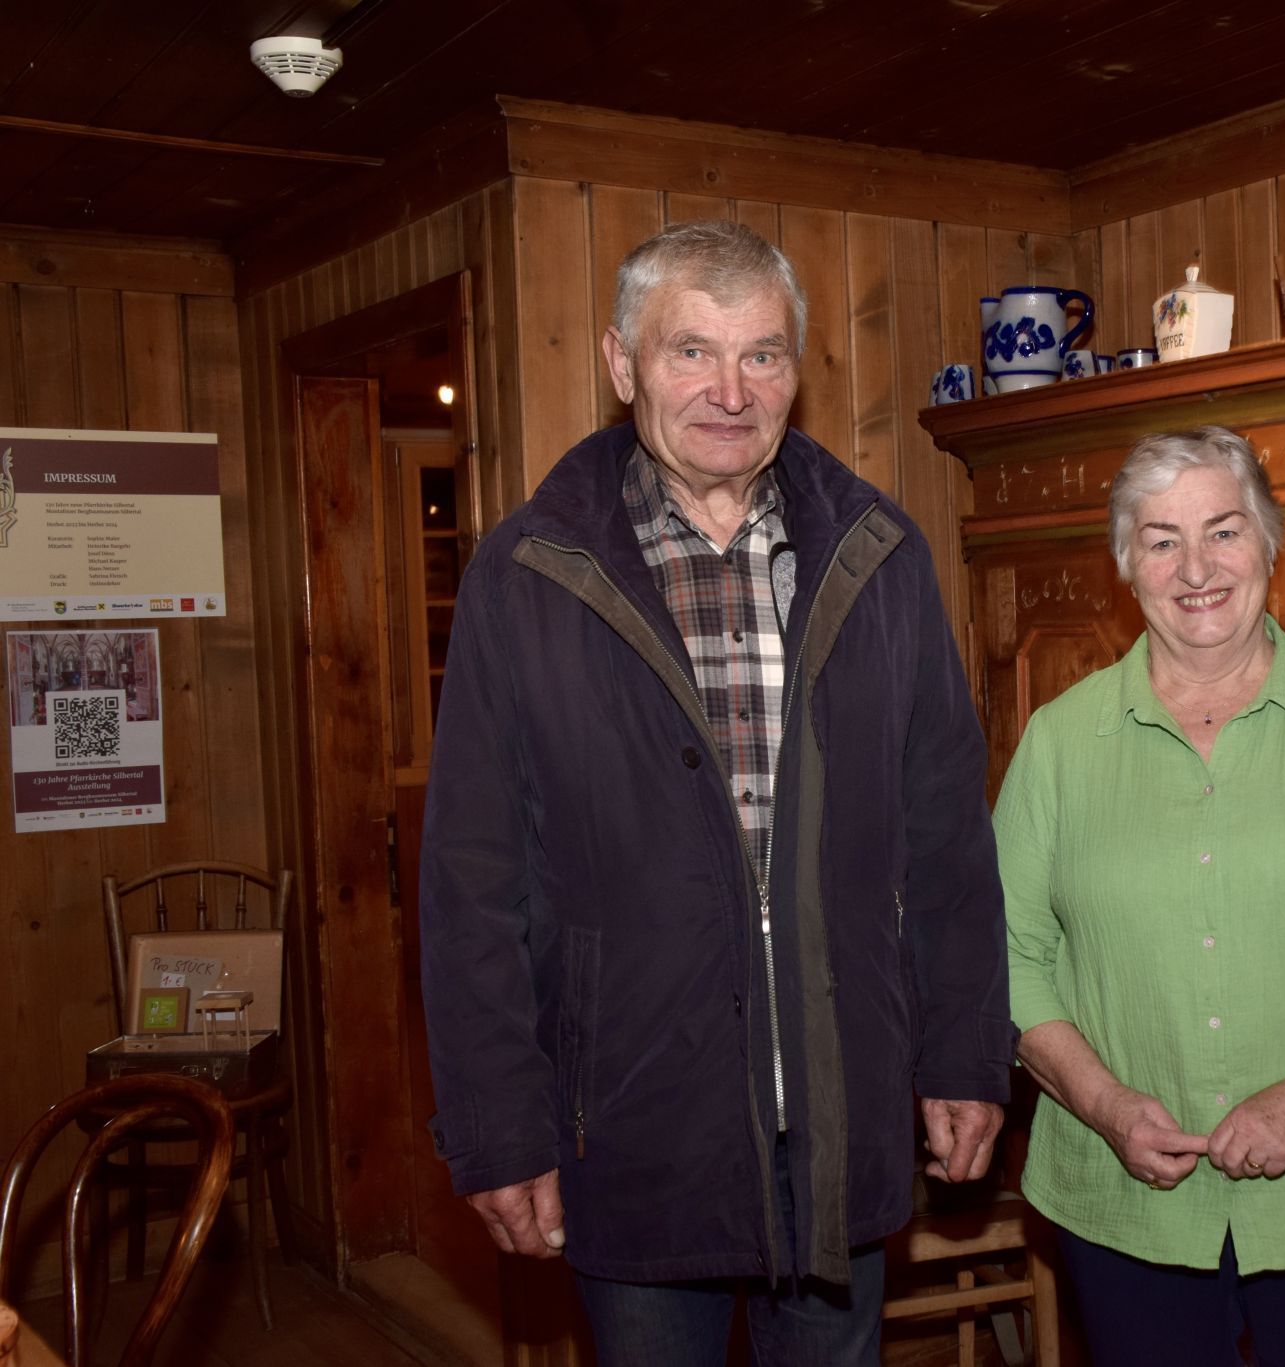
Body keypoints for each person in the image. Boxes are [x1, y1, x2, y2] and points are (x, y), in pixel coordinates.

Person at [419, 220, 1011, 1366]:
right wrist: (499, 1129)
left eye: (763, 355)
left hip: (838, 1116)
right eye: (692, 351)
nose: (730, 391)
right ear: (620, 363)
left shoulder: (878, 554)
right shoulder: (528, 572)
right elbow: (471, 882)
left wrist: (960, 1055)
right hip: (635, 1129)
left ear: (798, 371)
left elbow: (946, 843)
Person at [996, 426, 1285, 1367]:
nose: (1196, 567)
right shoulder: (1058, 741)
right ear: (1127, 563)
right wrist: (1102, 1105)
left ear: (1268, 543)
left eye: (1224, 530)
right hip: (1130, 1201)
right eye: (1162, 538)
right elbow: (1004, 953)